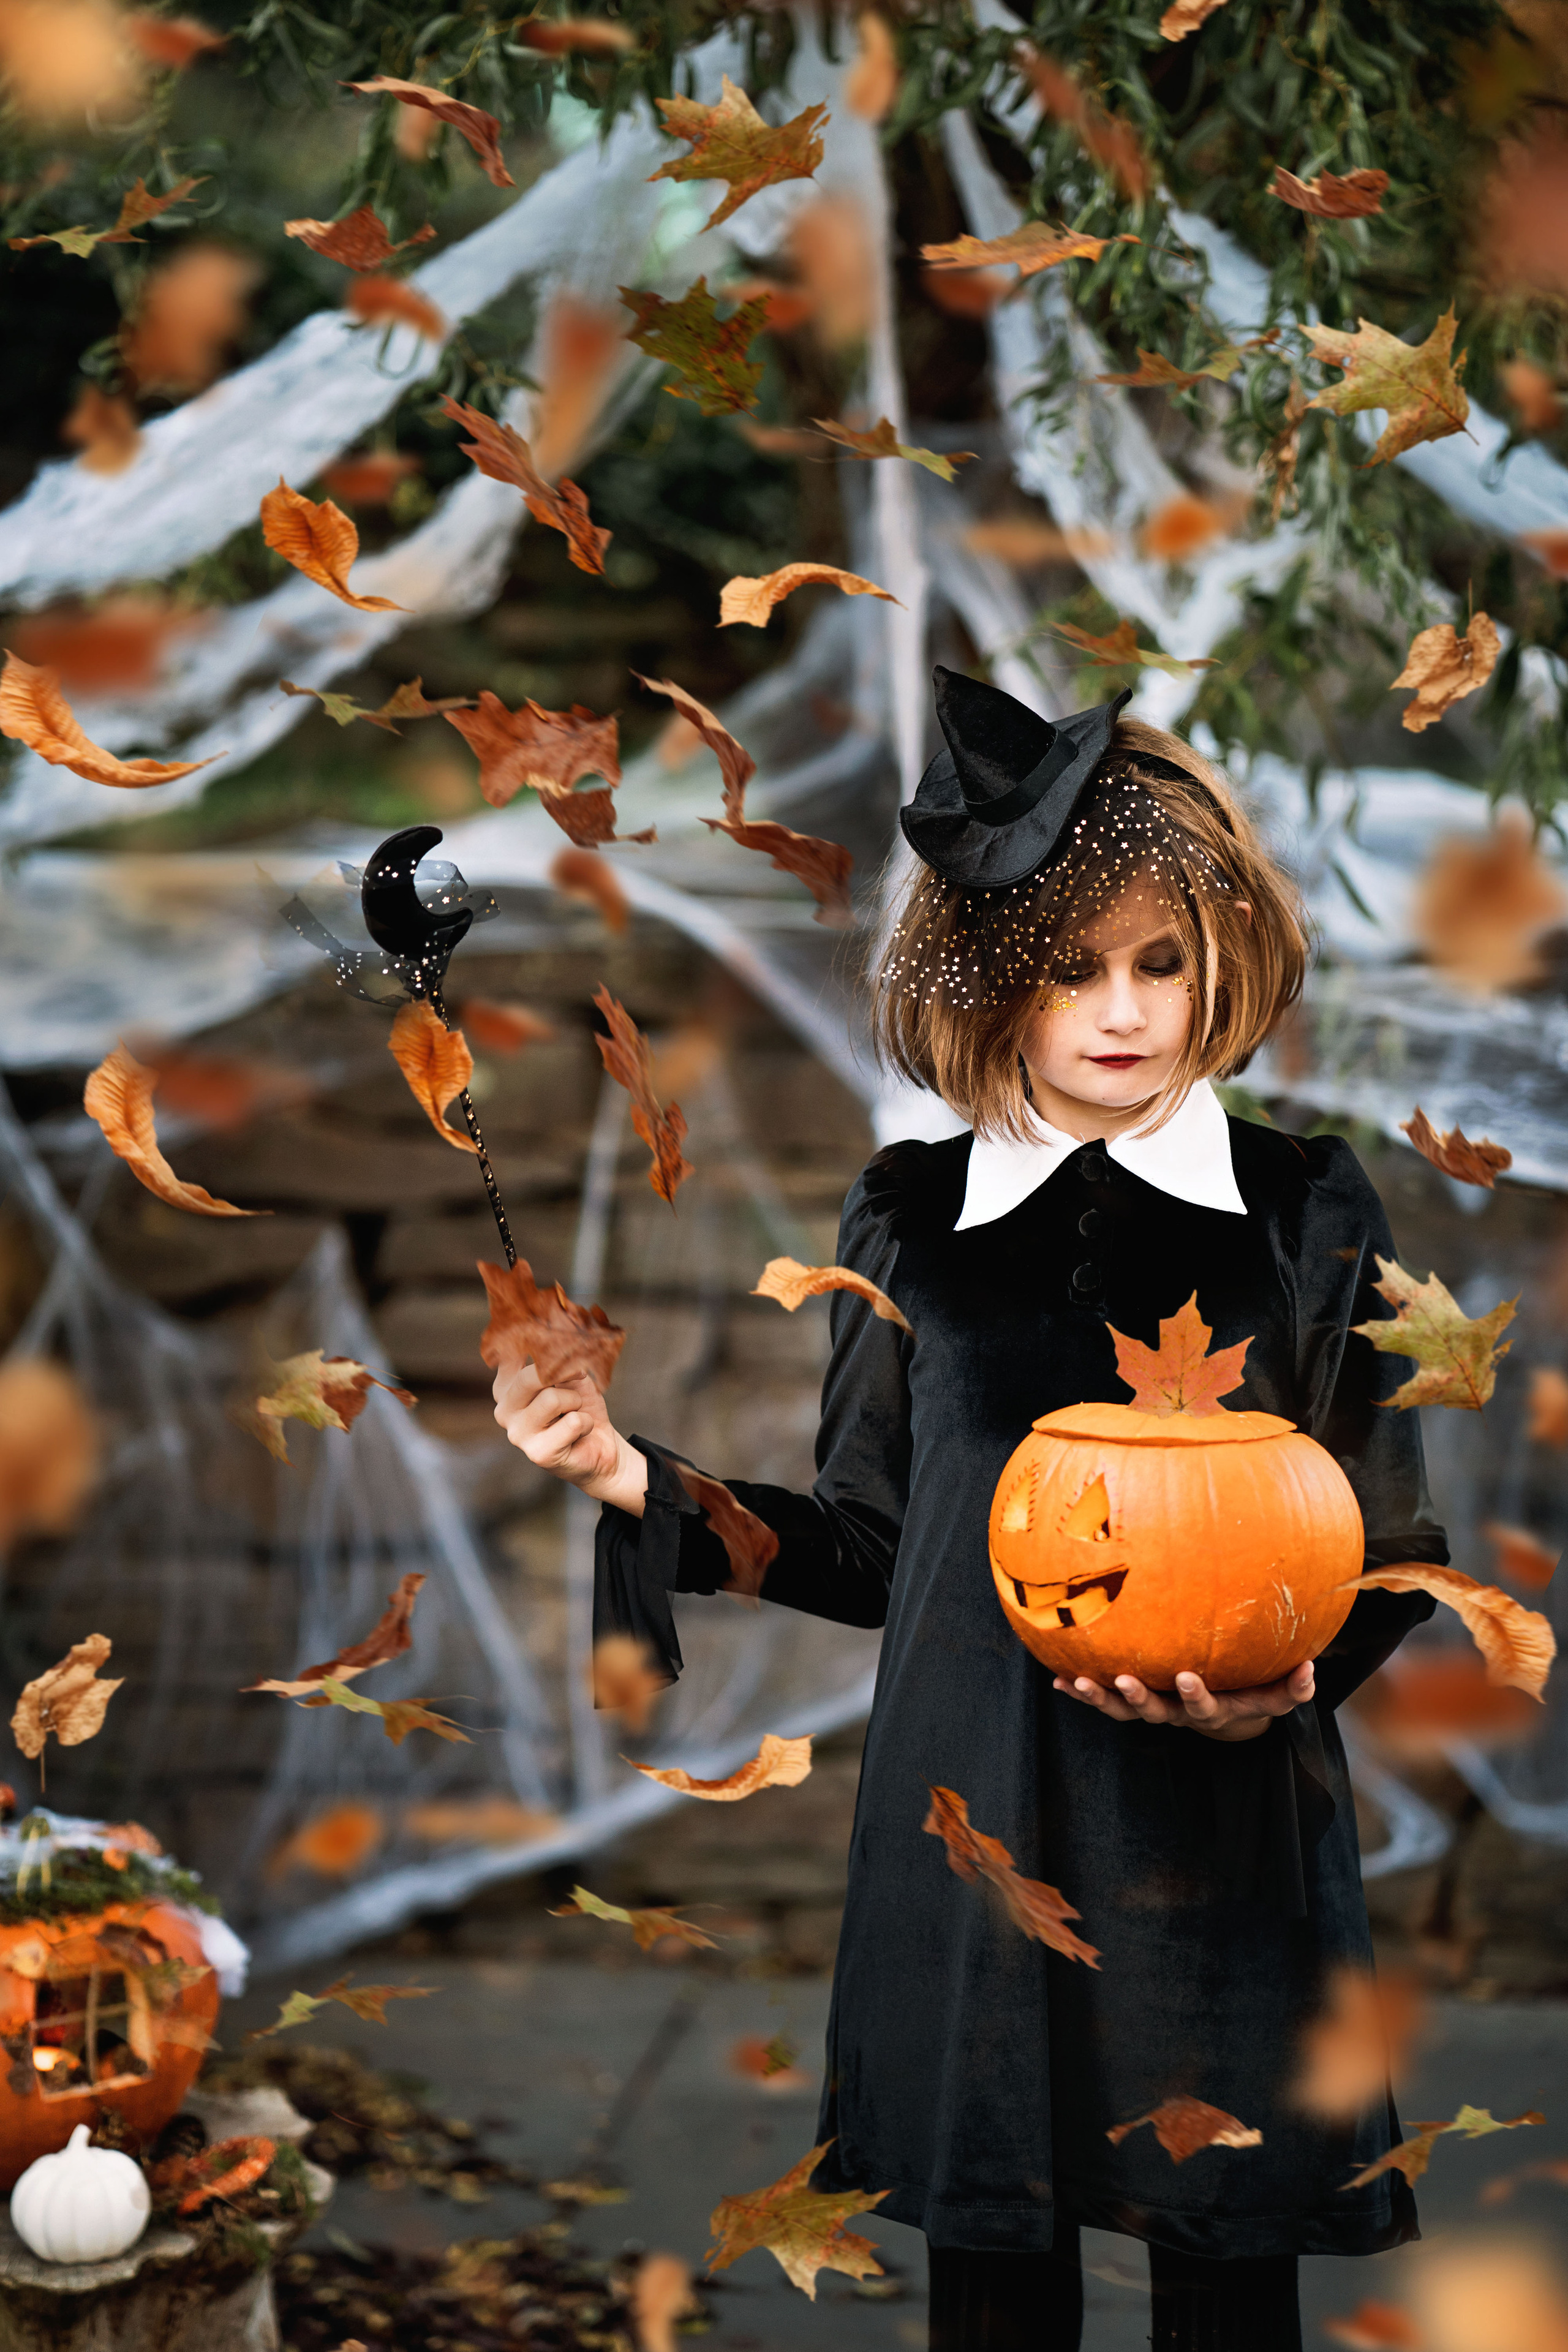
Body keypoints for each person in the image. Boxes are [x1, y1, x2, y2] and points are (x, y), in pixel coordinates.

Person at [493, 669, 1447, 2352]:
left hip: (1214, 1847)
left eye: (1162, 963)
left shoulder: (1302, 1211)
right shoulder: (913, 1220)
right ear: (990, 975)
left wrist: (1286, 1685)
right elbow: (868, 1545)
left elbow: (1385, 1543)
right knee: (996, 2289)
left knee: (1227, 2275)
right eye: (1071, 967)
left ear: (1221, 962)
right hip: (973, 1816)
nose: (1122, 1012)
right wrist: (634, 1480)